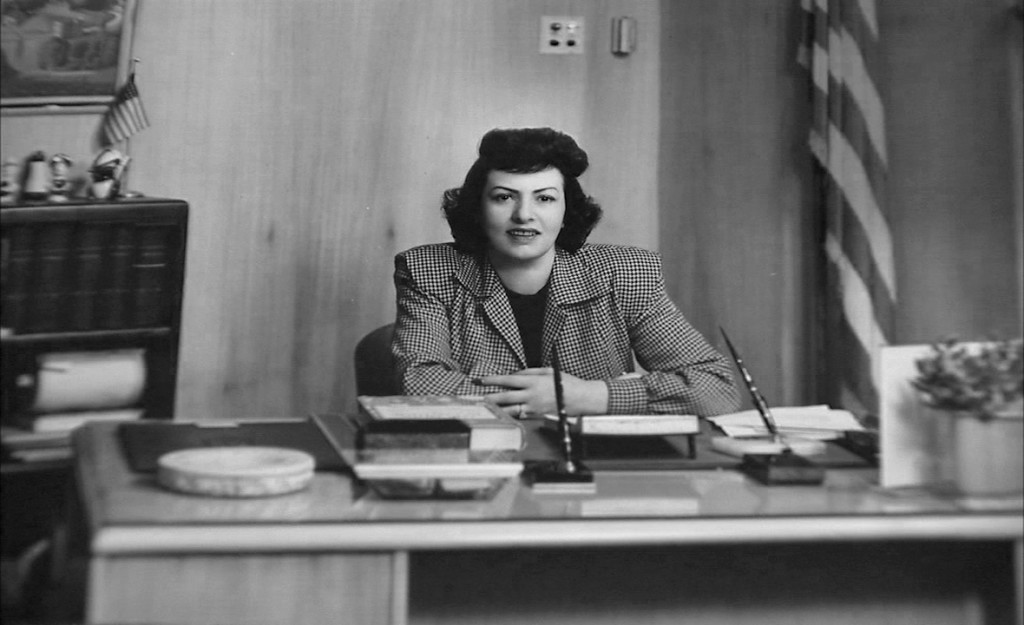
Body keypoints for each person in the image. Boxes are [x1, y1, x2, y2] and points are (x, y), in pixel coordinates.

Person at [391, 127, 740, 418]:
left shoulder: (625, 273)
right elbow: (420, 384)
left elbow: (716, 388)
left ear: (566, 210)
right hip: (483, 462)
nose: (524, 215)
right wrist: (543, 398)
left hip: (599, 472)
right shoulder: (428, 270)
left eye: (544, 198)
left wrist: (591, 397)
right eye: (503, 197)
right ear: (477, 209)